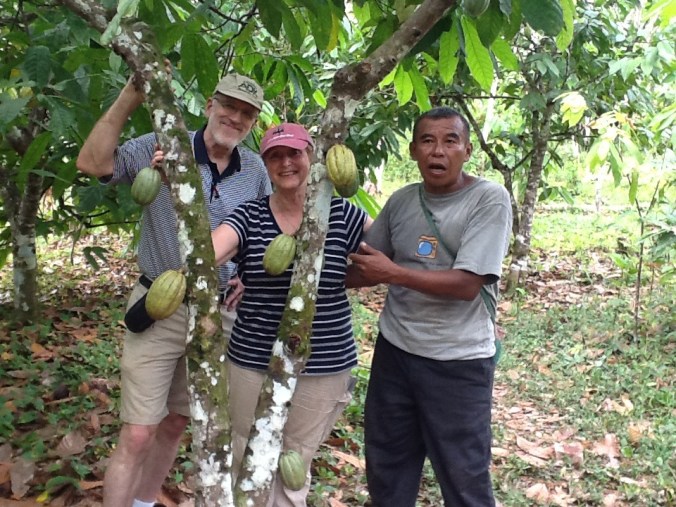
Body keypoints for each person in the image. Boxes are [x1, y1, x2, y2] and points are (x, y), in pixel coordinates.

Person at [76, 72, 271, 507]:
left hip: (218, 314)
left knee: (177, 422)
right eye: (228, 106)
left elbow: (262, 228)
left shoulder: (256, 169)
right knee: (139, 430)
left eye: (246, 113)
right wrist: (131, 95)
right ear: (209, 105)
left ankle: (144, 503)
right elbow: (92, 163)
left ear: (254, 121)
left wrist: (249, 273)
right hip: (160, 305)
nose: (235, 118)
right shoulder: (162, 144)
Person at [346, 107, 512, 507]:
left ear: (468, 150)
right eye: (428, 141)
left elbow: (467, 285)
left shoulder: (489, 199)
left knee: (463, 476)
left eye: (450, 141)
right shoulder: (403, 201)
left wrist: (393, 273)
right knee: (387, 468)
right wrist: (289, 279)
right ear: (413, 151)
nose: (438, 151)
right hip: (395, 354)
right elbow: (369, 266)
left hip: (457, 361)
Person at [210, 122, 372, 506]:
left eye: (294, 153)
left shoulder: (343, 214)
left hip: (324, 360)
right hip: (254, 355)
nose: (286, 163)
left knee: (294, 459)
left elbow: (387, 260)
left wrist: (326, 281)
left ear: (311, 157)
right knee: (244, 449)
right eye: (275, 156)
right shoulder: (250, 215)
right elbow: (207, 253)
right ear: (265, 164)